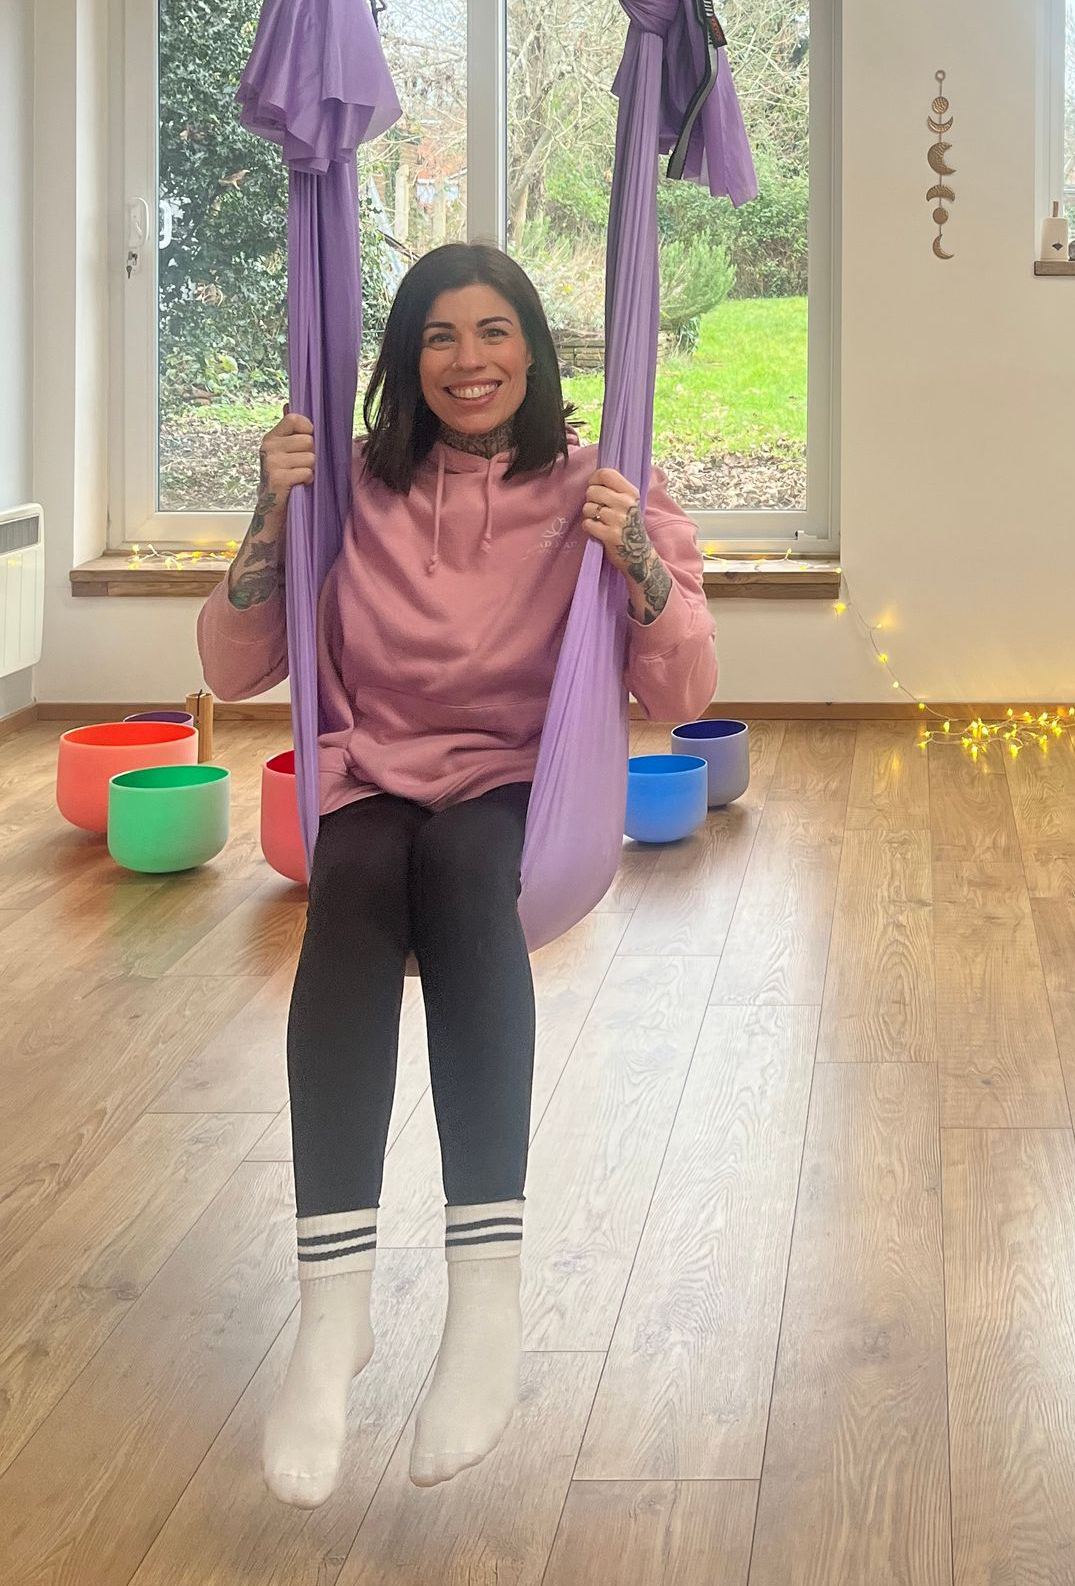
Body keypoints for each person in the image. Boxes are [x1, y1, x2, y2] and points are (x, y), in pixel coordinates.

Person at [199, 243, 716, 1507]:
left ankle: (486, 1298)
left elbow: (687, 686)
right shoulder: (353, 488)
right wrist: (271, 509)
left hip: (515, 783)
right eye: (439, 336)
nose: (468, 359)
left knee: (469, 870)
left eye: (494, 332)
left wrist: (636, 562)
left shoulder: (602, 484)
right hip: (373, 768)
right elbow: (230, 662)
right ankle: (333, 1312)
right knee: (354, 894)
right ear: (405, 360)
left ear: (533, 350)